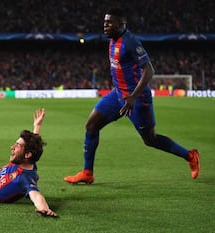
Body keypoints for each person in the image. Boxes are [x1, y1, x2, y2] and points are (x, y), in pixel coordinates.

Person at [63, 8, 200, 184]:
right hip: (118, 95)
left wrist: (133, 96)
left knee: (150, 140)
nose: (105, 26)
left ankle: (190, 155)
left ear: (121, 24)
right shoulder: (112, 39)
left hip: (137, 99)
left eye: (109, 23)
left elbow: (149, 70)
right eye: (104, 22)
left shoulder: (130, 42)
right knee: (91, 125)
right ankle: (87, 173)